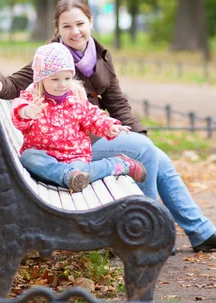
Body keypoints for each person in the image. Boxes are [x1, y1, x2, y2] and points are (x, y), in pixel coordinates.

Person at [0, 0, 216, 253]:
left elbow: (117, 102)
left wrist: (140, 136)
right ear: (57, 30)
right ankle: (151, 230)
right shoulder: (53, 57)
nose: (75, 32)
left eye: (80, 23)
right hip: (73, 145)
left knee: (155, 155)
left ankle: (199, 232)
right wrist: (0, 83)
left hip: (96, 133)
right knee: (147, 153)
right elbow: (19, 81)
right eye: (67, 26)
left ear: (90, 22)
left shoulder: (100, 54)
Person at [10, 42, 147, 193]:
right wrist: (28, 112)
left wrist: (108, 126)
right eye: (55, 79)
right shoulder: (33, 99)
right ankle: (68, 176)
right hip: (45, 157)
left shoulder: (75, 99)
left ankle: (119, 164)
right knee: (28, 157)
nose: (62, 84)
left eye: (67, 78)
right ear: (41, 79)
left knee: (80, 170)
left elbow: (93, 116)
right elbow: (17, 110)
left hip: (73, 156)